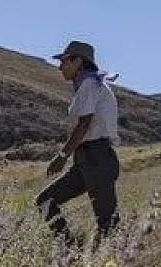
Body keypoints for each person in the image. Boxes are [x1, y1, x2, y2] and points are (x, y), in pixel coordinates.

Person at [34, 39, 121, 241]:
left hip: (97, 158)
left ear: (78, 61)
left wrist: (62, 155)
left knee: (107, 224)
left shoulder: (90, 85)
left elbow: (84, 124)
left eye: (64, 61)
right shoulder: (85, 85)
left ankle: (119, 265)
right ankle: (71, 251)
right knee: (45, 201)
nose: (60, 66)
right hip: (86, 159)